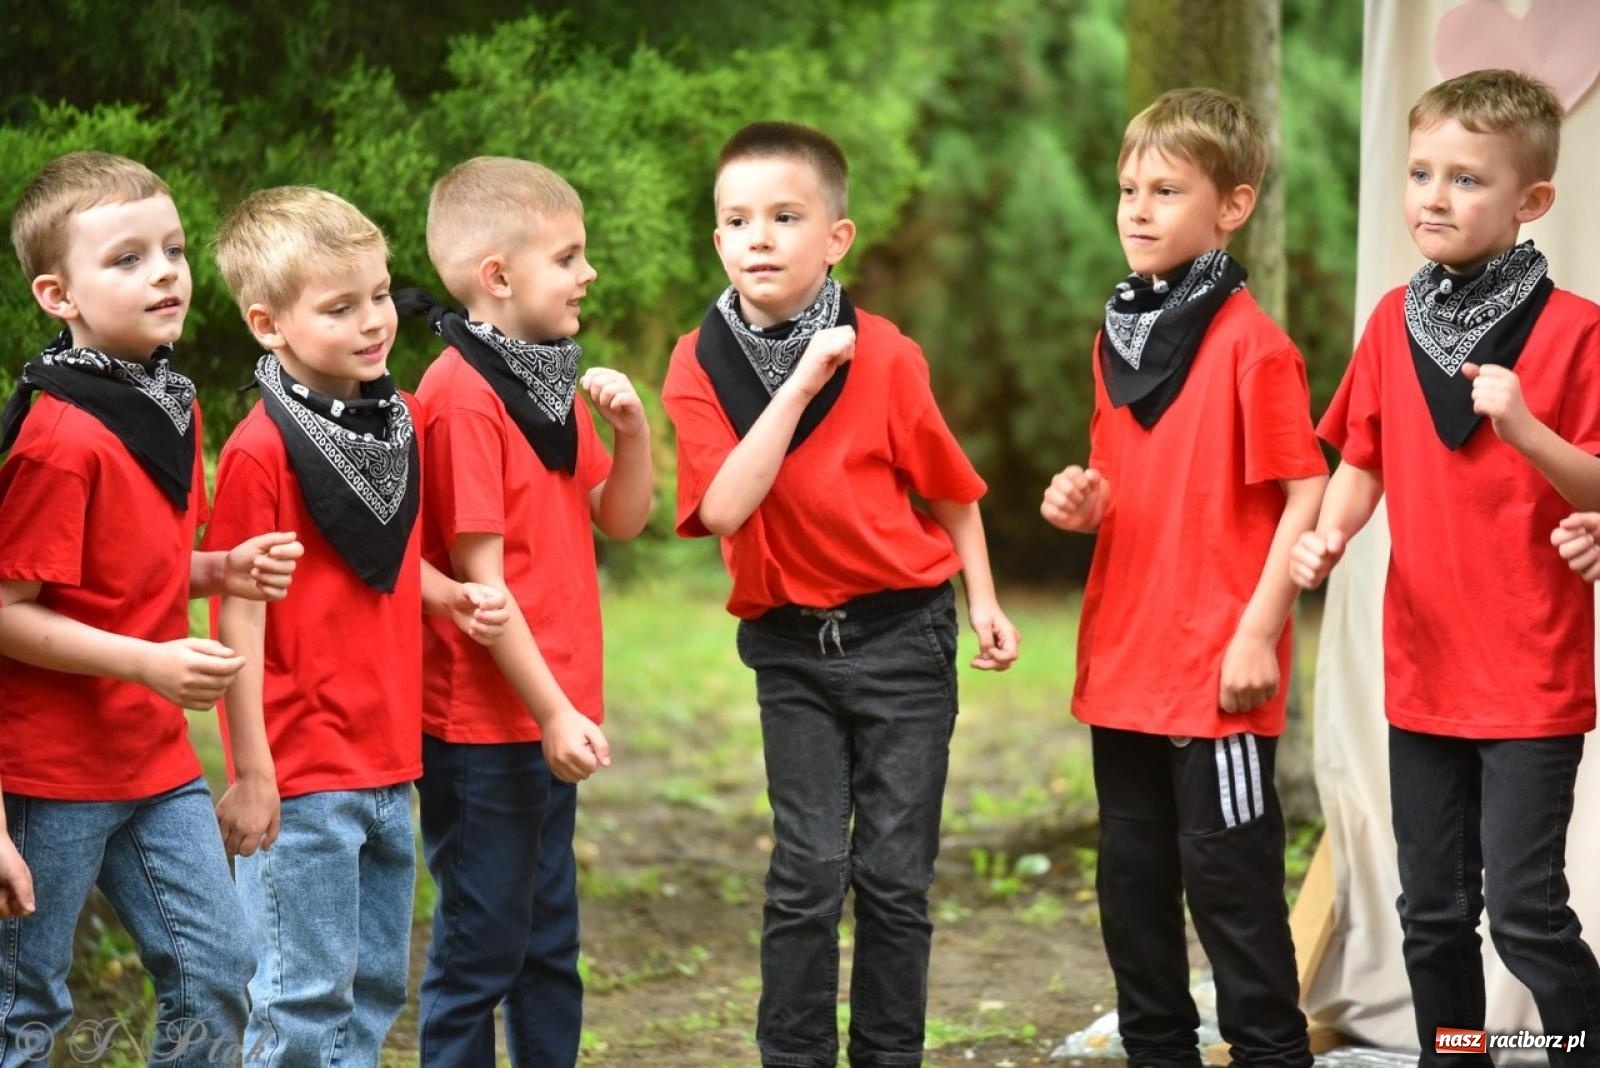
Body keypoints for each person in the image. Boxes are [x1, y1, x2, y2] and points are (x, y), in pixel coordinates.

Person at [663, 121, 1019, 1068]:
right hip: (790, 648)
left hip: (903, 639)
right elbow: (725, 507)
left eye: (786, 217)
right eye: (739, 220)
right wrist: (802, 381)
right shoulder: (697, 362)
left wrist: (983, 600)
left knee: (895, 879)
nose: (760, 238)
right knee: (807, 874)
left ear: (836, 238)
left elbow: (950, 491)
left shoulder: (889, 356)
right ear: (718, 240)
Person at [1292, 69, 1600, 1061]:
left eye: (1467, 179)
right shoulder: (1392, 320)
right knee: (1430, 913)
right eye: (1421, 172)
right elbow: (1362, 459)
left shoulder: (1579, 331)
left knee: (1526, 915)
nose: (1434, 195)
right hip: (1421, 670)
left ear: (1531, 201)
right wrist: (1330, 533)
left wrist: (1525, 428)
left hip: (1530, 676)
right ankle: (1452, 1057)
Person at [1042, 87, 1326, 1067]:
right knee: (1130, 893)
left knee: (1233, 894)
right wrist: (1086, 502)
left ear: (1232, 206)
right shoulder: (1115, 337)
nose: (1137, 209)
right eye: (1129, 189)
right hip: (1123, 667)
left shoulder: (1255, 347)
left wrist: (1255, 634)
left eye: (1166, 190)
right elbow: (1124, 479)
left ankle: (1271, 1053)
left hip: (1215, 678)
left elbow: (1306, 494)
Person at [0, 150, 300, 1065]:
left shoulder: (169, 402)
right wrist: (148, 662)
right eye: (126, 259)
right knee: (24, 1001)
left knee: (219, 969)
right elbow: (8, 609)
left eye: (171, 249)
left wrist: (220, 568)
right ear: (58, 296)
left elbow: (128, 571)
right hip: (52, 773)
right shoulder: (60, 437)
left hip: (153, 758)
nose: (164, 272)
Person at [207, 185, 508, 1065]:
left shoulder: (395, 421)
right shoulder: (262, 448)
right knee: (301, 998)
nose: (375, 320)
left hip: (388, 755)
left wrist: (446, 595)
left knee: (374, 989)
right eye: (340, 308)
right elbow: (238, 613)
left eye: (379, 294)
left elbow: (379, 559)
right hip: (302, 773)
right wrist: (253, 773)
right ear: (268, 325)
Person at [403, 155, 653, 1067]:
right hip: (485, 724)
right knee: (482, 951)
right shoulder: (464, 398)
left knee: (549, 948)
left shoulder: (543, 383)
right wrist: (551, 712)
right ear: (498, 277)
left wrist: (633, 433)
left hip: (549, 711)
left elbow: (620, 518)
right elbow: (481, 595)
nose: (589, 272)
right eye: (568, 256)